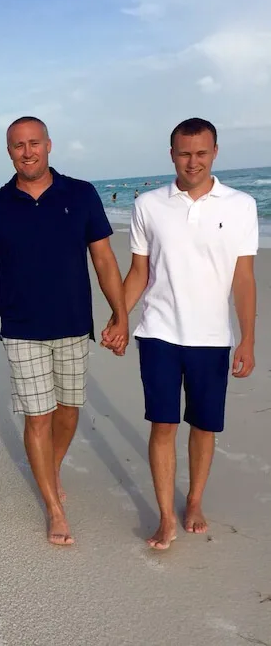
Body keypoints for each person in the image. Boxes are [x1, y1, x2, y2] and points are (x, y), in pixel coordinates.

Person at [0, 116, 128, 546]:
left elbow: (104, 259)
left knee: (69, 410)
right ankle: (53, 506)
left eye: (34, 143)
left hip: (72, 323)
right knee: (38, 415)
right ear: (9, 152)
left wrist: (120, 314)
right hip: (21, 327)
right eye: (17, 146)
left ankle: (50, 469)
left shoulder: (81, 194)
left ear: (49, 145)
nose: (27, 152)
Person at [105, 117, 257, 550]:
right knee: (164, 424)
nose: (193, 161)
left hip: (213, 337)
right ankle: (166, 517)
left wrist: (246, 337)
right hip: (159, 333)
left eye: (201, 153)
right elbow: (139, 272)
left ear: (215, 153)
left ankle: (193, 501)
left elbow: (244, 278)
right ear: (172, 154)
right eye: (185, 153)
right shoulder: (149, 205)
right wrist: (120, 317)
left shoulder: (241, 205)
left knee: (204, 427)